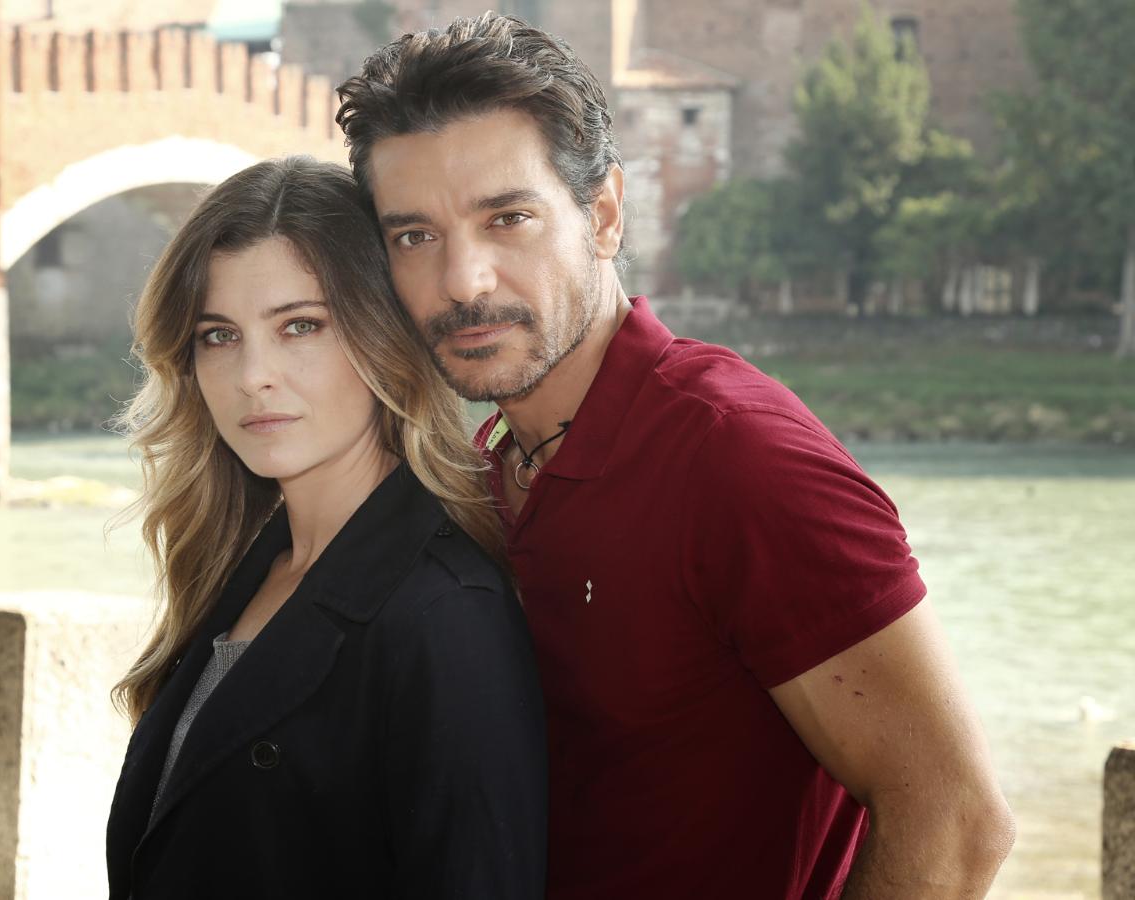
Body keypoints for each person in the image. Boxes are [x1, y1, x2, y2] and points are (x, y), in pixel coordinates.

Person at [337, 12, 1015, 900]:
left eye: (508, 219)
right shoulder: (486, 468)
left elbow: (956, 822)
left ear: (604, 214)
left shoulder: (738, 456)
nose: (462, 280)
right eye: (415, 236)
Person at [102, 156, 547, 900]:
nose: (253, 375)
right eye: (219, 336)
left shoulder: (446, 616)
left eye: (300, 326)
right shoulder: (243, 567)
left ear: (383, 335)